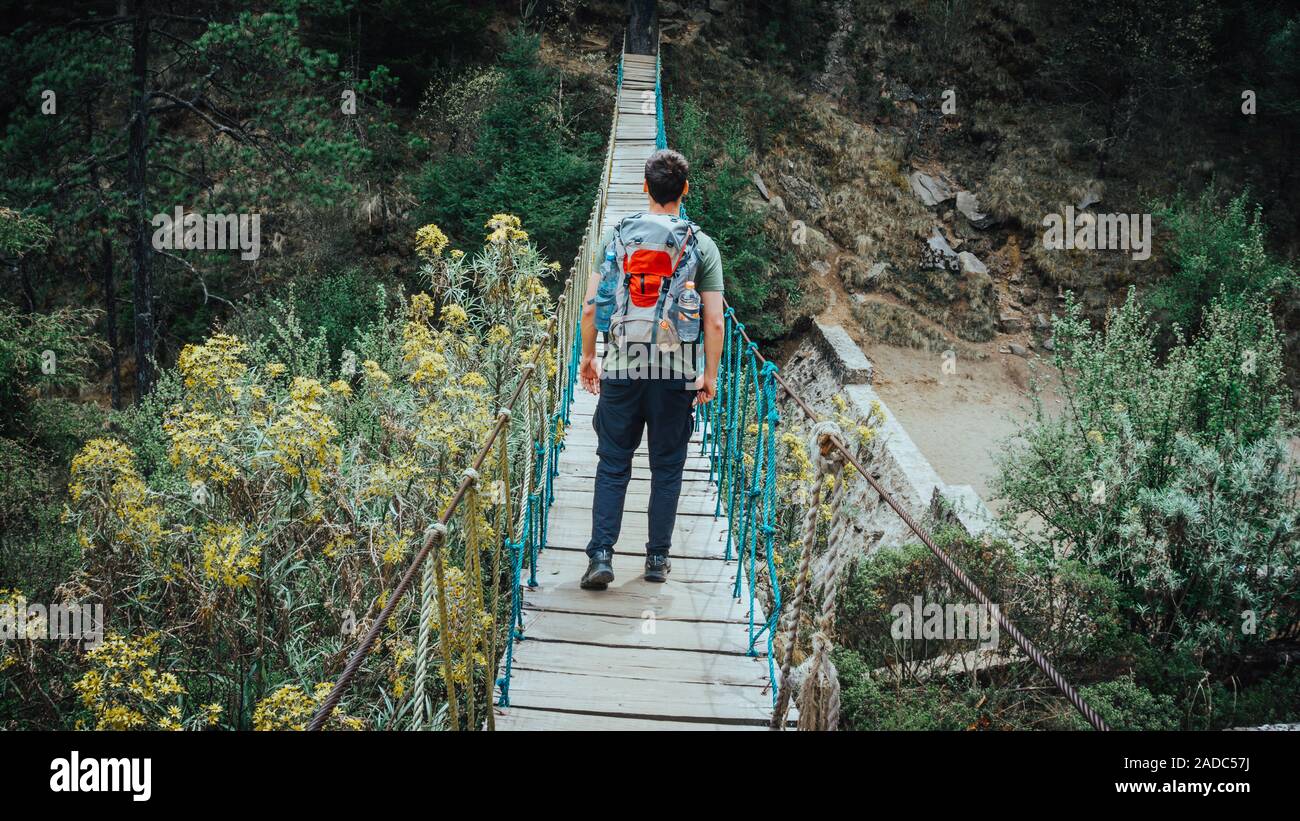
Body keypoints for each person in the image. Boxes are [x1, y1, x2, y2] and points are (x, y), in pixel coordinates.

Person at [576, 148, 725, 589]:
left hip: (622, 368)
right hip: (675, 374)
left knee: (613, 464)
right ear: (685, 190)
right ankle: (657, 560)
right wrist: (709, 376)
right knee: (667, 467)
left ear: (645, 187)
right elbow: (714, 321)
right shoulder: (702, 245)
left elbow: (589, 308)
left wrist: (589, 359)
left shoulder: (615, 237)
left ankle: (601, 555)